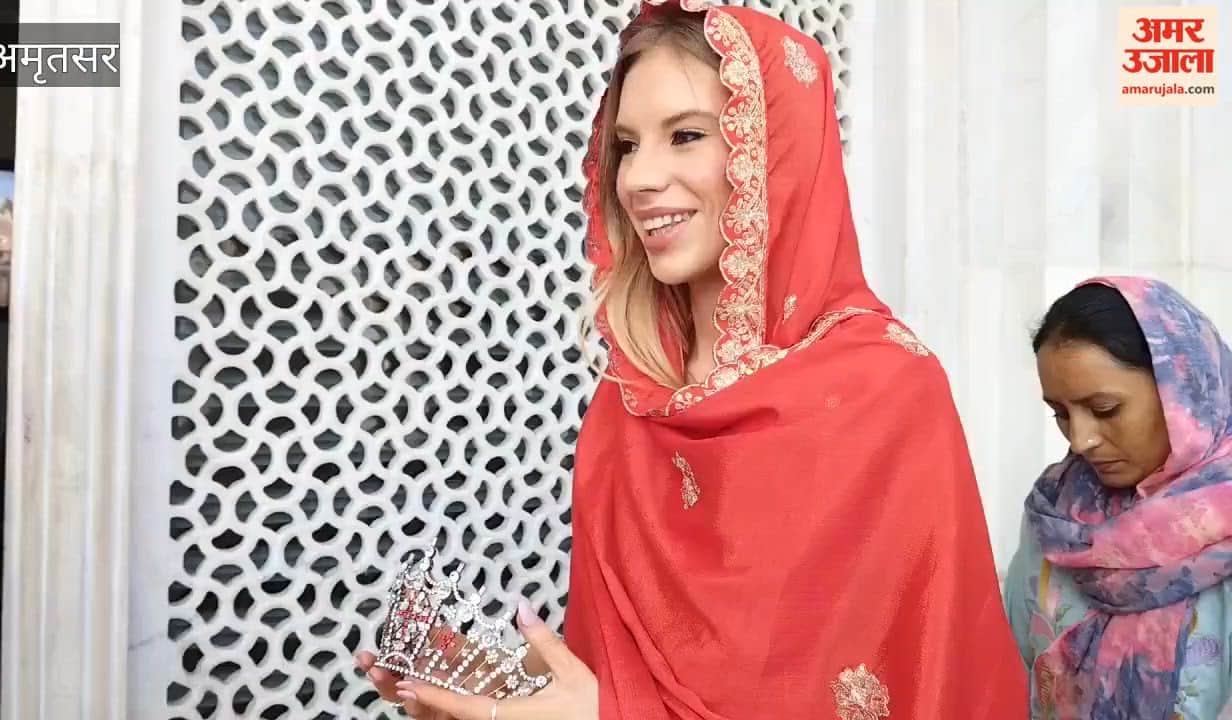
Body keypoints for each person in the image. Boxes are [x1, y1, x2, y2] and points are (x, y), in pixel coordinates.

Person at [357, 1, 1026, 717]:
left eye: (685, 135)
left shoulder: (887, 395)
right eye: (627, 145)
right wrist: (495, 694)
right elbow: (622, 669)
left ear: (778, 152)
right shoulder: (630, 397)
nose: (639, 177)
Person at [1004, 277, 1232, 719]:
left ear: (1181, 390)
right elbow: (1009, 672)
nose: (1082, 439)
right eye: (1061, 413)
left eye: (1105, 409)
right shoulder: (1056, 520)